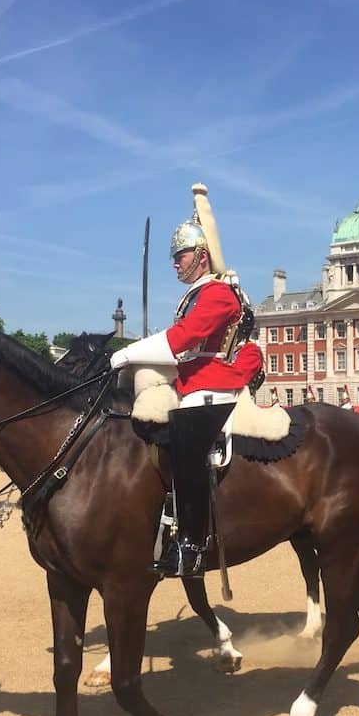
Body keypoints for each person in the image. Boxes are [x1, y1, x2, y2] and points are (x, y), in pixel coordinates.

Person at [110, 183, 263, 577]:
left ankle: (193, 544)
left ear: (201, 255)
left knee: (186, 446)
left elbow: (181, 341)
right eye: (175, 256)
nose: (175, 263)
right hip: (191, 384)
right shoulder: (195, 295)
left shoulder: (218, 295)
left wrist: (126, 353)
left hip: (213, 387)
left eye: (180, 255)